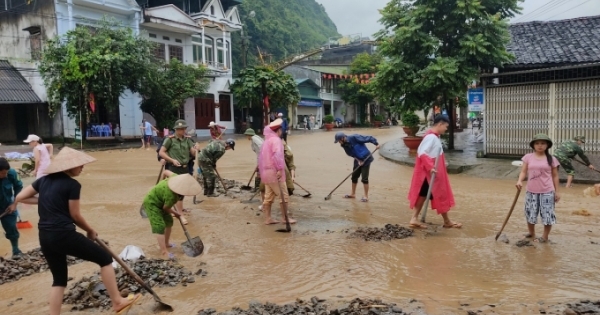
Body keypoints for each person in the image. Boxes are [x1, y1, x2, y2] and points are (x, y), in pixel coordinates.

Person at [11, 147, 141, 315]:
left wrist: (47, 199)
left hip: (45, 236)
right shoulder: (72, 185)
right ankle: (117, 301)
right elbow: (75, 215)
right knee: (105, 258)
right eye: (79, 165)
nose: (82, 167)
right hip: (64, 234)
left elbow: (20, 197)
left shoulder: (43, 181)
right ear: (67, 167)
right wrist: (90, 230)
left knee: (59, 280)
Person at [407, 115, 462, 229]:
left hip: (431, 173)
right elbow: (422, 153)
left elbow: (435, 153)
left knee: (424, 194)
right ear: (440, 124)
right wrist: (430, 167)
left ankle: (416, 218)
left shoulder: (434, 137)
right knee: (439, 194)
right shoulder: (431, 138)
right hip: (430, 174)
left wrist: (442, 163)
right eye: (446, 126)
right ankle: (446, 221)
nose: (446, 129)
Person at [143, 172, 200, 259]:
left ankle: (166, 243)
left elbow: (165, 171)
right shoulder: (171, 196)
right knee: (159, 226)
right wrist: (176, 213)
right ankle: (164, 251)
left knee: (169, 222)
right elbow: (166, 208)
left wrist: (160, 183)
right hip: (152, 203)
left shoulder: (175, 177)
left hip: (162, 201)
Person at [516, 134, 560, 243]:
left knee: (547, 215)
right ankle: (532, 233)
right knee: (530, 213)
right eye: (537, 143)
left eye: (543, 143)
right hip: (531, 191)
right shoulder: (528, 157)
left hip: (547, 191)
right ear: (533, 145)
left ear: (547, 145)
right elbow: (523, 171)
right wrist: (519, 181)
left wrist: (557, 192)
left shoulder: (552, 159)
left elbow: (555, 176)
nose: (540, 146)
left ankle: (545, 237)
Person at [258, 118, 296, 225]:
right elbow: (278, 156)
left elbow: (261, 159)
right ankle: (285, 218)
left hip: (266, 172)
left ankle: (268, 219)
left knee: (268, 196)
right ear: (279, 130)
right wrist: (279, 169)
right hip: (274, 172)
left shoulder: (266, 141)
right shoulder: (276, 141)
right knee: (283, 195)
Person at [159, 120, 197, 214]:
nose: (183, 130)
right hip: (173, 168)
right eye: (180, 129)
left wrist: (196, 149)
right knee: (175, 191)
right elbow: (161, 152)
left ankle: (179, 209)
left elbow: (193, 152)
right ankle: (178, 213)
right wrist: (171, 160)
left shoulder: (188, 140)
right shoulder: (170, 139)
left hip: (185, 168)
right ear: (176, 130)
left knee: (182, 190)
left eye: (184, 128)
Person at [334, 132, 380, 202]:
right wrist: (358, 160)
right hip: (357, 160)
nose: (339, 143)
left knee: (364, 178)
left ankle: (366, 196)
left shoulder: (354, 137)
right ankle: (353, 194)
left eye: (339, 141)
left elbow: (369, 138)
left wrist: (376, 143)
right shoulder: (344, 145)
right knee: (354, 177)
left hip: (366, 158)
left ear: (343, 138)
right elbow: (351, 154)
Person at [0, 158, 23, 257]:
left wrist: (14, 203)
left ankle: (16, 250)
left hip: (7, 206)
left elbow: (19, 187)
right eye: (3, 173)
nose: (5, 175)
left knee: (11, 227)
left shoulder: (12, 173)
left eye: (6, 172)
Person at [244, 128, 265, 207]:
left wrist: (260, 162)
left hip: (262, 158)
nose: (247, 137)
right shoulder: (255, 138)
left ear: (249, 135)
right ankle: (257, 187)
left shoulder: (254, 138)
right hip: (260, 158)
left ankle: (260, 188)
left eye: (247, 135)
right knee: (258, 173)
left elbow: (262, 148)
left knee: (260, 173)